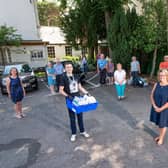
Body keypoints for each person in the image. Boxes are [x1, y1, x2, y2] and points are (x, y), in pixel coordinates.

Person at [59, 62, 90, 142]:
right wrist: (68, 96)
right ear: (65, 69)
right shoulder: (63, 77)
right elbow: (61, 90)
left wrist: (86, 93)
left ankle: (82, 131)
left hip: (78, 98)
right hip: (70, 99)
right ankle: (73, 134)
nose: (69, 68)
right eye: (67, 67)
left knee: (80, 116)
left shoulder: (76, 76)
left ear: (72, 68)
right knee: (72, 117)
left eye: (70, 67)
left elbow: (79, 87)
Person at [150, 69, 168, 145]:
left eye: (163, 75)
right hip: (156, 107)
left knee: (163, 124)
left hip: (165, 109)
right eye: (160, 75)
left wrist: (161, 109)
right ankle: (160, 135)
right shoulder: (156, 84)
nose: (161, 77)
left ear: (167, 76)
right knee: (159, 123)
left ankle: (161, 138)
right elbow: (151, 95)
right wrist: (154, 105)